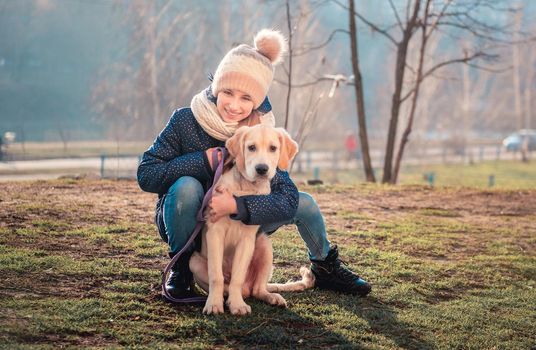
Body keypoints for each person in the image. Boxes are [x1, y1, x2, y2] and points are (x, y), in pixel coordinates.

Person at [137, 29, 371, 301]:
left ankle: (325, 266)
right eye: (228, 93)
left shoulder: (263, 131)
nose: (235, 106)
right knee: (186, 187)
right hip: (191, 222)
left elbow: (286, 198)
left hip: (242, 222)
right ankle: (182, 267)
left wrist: (237, 207)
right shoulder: (185, 120)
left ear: (257, 101)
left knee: (304, 203)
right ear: (216, 89)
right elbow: (147, 174)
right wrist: (202, 161)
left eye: (246, 98)